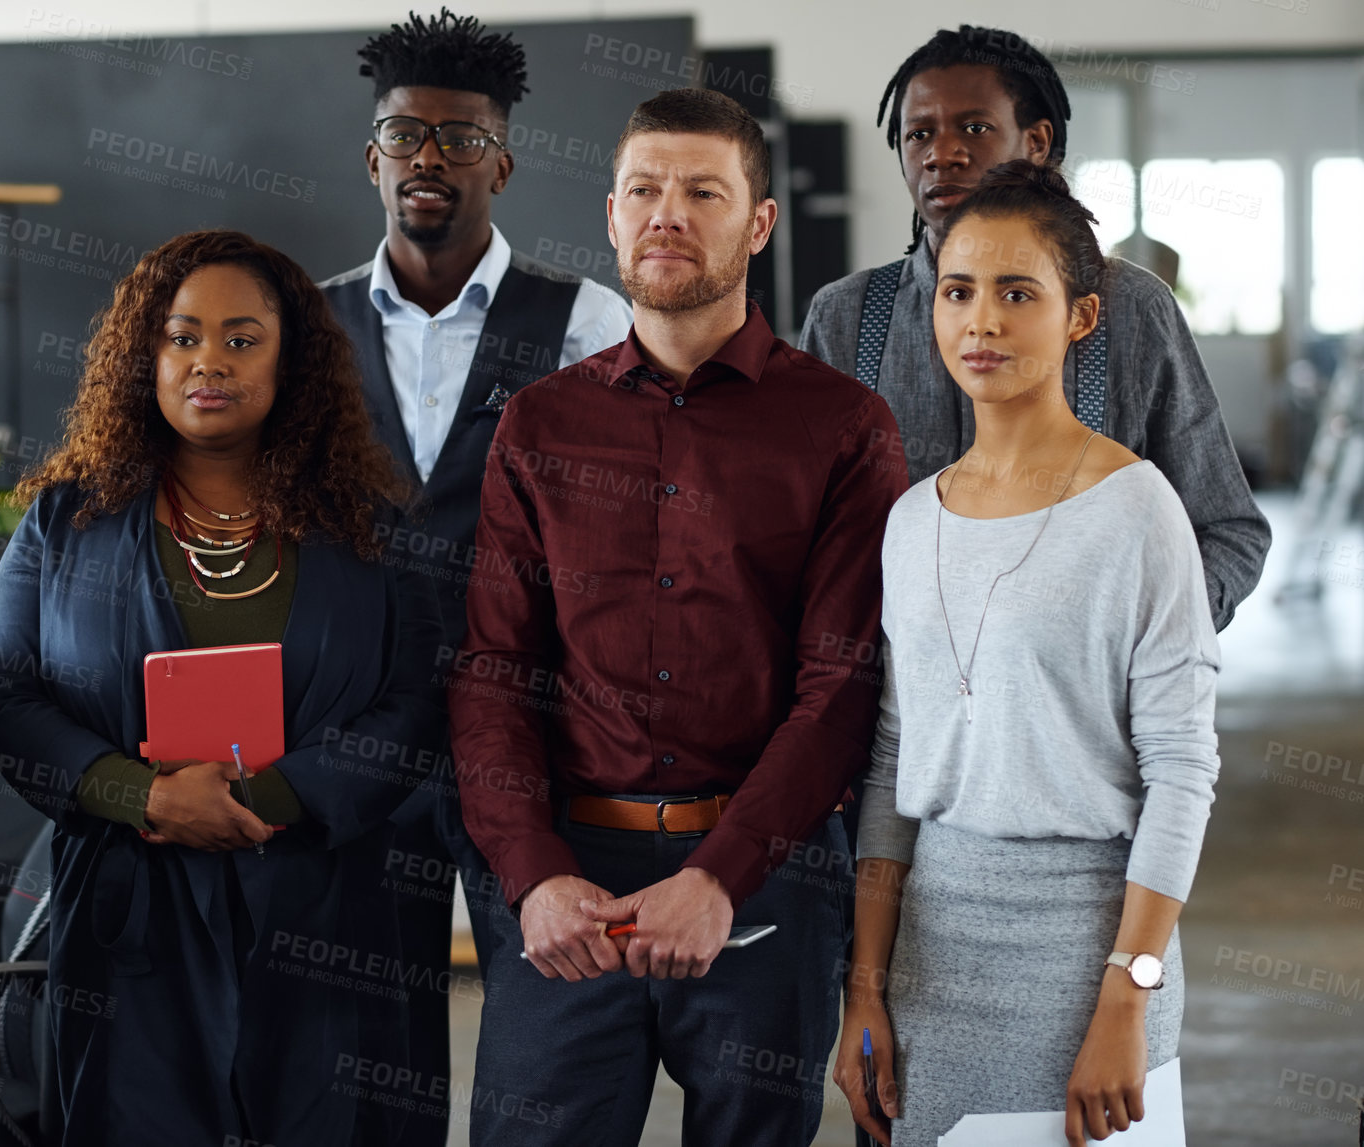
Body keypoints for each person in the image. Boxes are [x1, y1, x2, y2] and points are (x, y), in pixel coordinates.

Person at [450, 88, 907, 1147]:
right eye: (643, 190)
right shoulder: (539, 422)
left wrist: (718, 876)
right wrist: (531, 877)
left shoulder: (842, 427)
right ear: (610, 215)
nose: (667, 213)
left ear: (756, 223)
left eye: (702, 191)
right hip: (569, 882)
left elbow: (839, 687)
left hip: (764, 885)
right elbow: (491, 670)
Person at [0, 229, 445, 1146]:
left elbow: (419, 702)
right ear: (144, 353)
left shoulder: (371, 526)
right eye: (182, 336)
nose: (207, 362)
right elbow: (7, 694)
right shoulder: (66, 520)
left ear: (290, 358)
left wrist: (263, 797)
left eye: (241, 338)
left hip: (323, 903)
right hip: (129, 914)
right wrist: (146, 795)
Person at [830, 162, 1221, 1147]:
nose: (981, 322)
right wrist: (863, 991)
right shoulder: (910, 520)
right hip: (934, 961)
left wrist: (1126, 999)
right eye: (958, 291)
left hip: (1090, 956)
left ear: (1079, 317)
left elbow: (1180, 772)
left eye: (1017, 293)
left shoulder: (1137, 510)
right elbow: (888, 770)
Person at [317, 10, 632, 1131]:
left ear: (500, 157)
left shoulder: (587, 323)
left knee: (541, 1049)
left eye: (458, 138)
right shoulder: (309, 331)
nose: (430, 160)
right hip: (359, 733)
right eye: (405, 137)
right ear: (372, 156)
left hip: (531, 733)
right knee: (372, 1053)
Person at [798, 23, 1268, 633]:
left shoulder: (1132, 307)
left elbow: (1226, 530)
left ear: (1038, 141)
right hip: (898, 711)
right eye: (919, 134)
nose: (942, 152)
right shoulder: (845, 316)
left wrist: (1134, 646)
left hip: (1085, 715)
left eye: (974, 127)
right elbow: (804, 534)